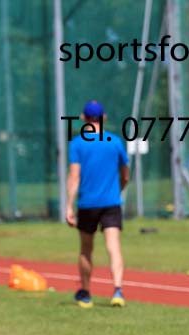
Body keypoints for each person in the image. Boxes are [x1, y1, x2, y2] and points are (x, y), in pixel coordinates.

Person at [65, 100, 129, 308]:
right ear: (104, 118)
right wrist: (117, 191)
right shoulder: (115, 142)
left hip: (88, 204)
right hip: (111, 203)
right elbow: (125, 175)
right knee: (114, 247)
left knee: (86, 249)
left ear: (84, 118)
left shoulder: (77, 143)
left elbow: (74, 177)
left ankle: (85, 293)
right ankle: (117, 290)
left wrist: (68, 206)